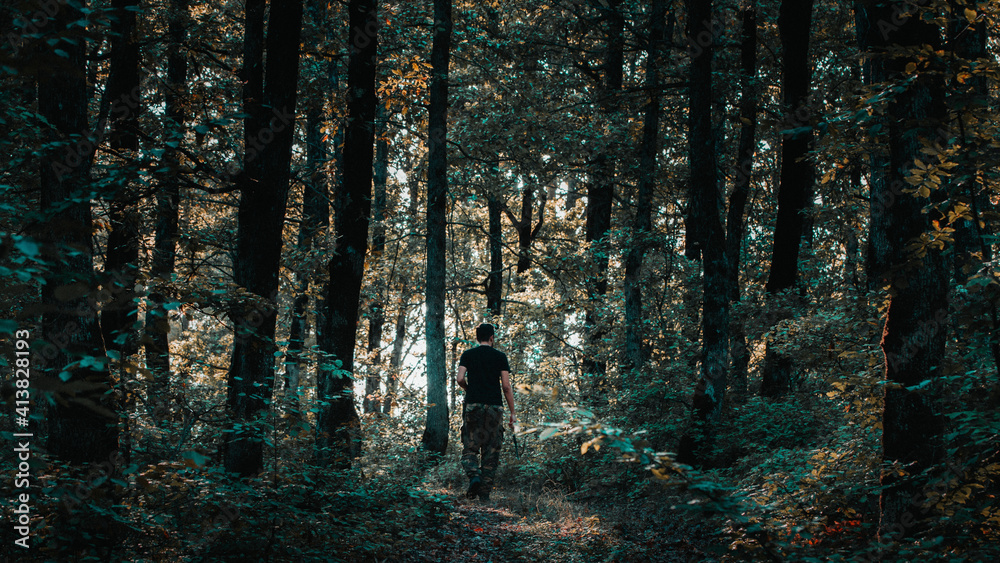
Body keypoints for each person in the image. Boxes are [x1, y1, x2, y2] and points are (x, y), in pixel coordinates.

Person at [456, 323, 516, 501]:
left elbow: (459, 378)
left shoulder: (467, 354)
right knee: (491, 451)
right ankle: (484, 497)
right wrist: (512, 412)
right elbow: (506, 386)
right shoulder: (500, 357)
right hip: (494, 408)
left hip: (473, 405)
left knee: (470, 447)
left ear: (477, 338)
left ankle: (474, 475)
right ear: (492, 337)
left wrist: (469, 390)